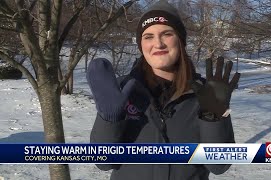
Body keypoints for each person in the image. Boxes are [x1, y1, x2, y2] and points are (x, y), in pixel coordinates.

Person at [86, 0, 241, 179]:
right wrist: (110, 119)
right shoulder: (121, 91)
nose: (158, 43)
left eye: (167, 33)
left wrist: (214, 116)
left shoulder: (205, 95)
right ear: (141, 45)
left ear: (180, 41)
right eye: (148, 36)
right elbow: (104, 162)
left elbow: (219, 165)